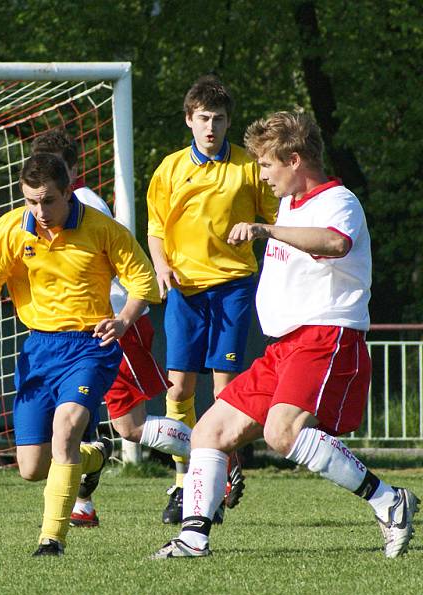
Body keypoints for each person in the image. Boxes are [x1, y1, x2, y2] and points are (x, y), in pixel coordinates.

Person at [153, 111, 419, 559]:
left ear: (294, 160)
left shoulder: (339, 201)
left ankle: (389, 501)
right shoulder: (290, 204)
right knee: (209, 432)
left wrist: (266, 229)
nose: (261, 174)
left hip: (325, 335)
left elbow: (336, 244)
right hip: (285, 348)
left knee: (283, 432)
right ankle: (193, 539)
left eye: (265, 165)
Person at [0, 153, 161, 556]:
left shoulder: (102, 229)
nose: (40, 210)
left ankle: (51, 539)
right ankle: (94, 457)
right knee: (32, 468)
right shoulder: (12, 230)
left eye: (48, 201)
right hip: (38, 350)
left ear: (68, 193)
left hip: (91, 345)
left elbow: (144, 281)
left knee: (68, 427)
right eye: (31, 201)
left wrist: (123, 319)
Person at [31, 129, 191, 528]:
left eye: (58, 171)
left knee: (130, 427)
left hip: (115, 325)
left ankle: (213, 456)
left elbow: (126, 273)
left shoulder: (85, 205)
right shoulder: (40, 216)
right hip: (76, 333)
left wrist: (122, 319)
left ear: (73, 172)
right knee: (70, 422)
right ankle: (83, 504)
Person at [146, 75, 278, 523]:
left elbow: (278, 217)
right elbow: (156, 229)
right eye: (203, 118)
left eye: (218, 119)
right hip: (184, 291)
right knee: (179, 388)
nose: (210, 127)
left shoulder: (247, 167)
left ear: (228, 122)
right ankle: (185, 482)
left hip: (233, 286)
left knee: (223, 389)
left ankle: (217, 479)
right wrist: (161, 266)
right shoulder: (168, 169)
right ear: (189, 119)